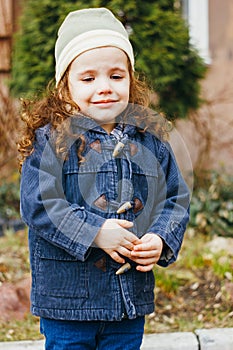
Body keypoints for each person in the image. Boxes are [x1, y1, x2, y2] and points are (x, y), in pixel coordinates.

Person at [19, 7, 190, 350]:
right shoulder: (51, 141)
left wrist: (160, 238)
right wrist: (95, 232)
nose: (104, 88)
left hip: (127, 303)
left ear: (130, 79)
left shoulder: (149, 140)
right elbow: (39, 204)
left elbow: (174, 199)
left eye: (116, 75)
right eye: (88, 78)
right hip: (68, 303)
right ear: (65, 86)